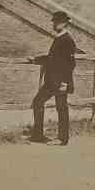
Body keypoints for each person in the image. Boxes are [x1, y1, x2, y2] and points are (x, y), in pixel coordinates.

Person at [28, 9, 78, 145]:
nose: (54, 24)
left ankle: (62, 138)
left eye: (56, 22)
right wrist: (35, 59)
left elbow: (70, 64)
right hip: (52, 80)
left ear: (64, 24)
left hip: (59, 81)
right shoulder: (60, 38)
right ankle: (38, 135)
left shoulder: (67, 40)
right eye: (54, 22)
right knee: (40, 103)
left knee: (60, 107)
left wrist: (65, 82)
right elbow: (52, 58)